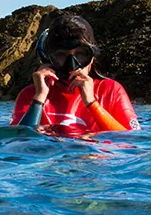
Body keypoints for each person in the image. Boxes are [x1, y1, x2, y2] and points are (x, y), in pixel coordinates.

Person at [11, 12, 139, 135]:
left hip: (96, 156)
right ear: (49, 60)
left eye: (81, 54)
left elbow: (131, 141)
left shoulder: (111, 91)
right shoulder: (31, 95)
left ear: (92, 58)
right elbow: (19, 142)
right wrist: (39, 98)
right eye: (61, 55)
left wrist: (92, 103)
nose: (72, 65)